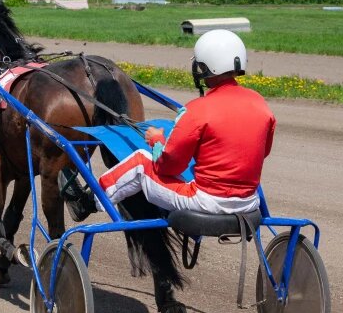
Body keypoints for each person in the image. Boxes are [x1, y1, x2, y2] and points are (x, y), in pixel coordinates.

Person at [62, 29, 276, 221]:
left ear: (204, 67)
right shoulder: (260, 103)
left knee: (139, 163)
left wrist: (157, 141)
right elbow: (261, 152)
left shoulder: (197, 110)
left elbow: (169, 166)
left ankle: (87, 203)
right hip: (249, 201)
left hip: (207, 202)